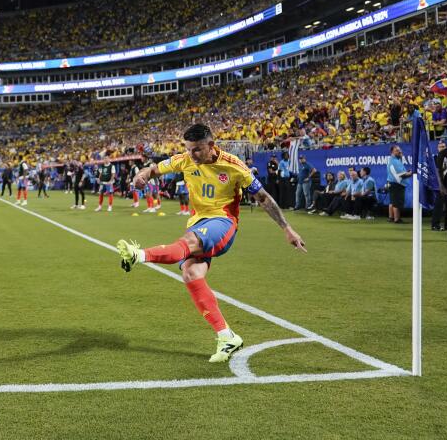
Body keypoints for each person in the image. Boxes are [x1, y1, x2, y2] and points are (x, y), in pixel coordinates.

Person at [116, 124, 306, 362]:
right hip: (198, 222)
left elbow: (263, 198)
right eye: (188, 149)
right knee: (191, 273)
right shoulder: (185, 160)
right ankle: (227, 337)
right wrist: (142, 174)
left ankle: (138, 255)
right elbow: (155, 169)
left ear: (211, 146)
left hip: (223, 222)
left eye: (196, 150)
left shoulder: (234, 166)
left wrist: (286, 229)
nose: (191, 155)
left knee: (187, 242)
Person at [387, 145, 412, 223]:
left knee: (392, 201)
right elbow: (402, 175)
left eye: (400, 150)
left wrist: (401, 157)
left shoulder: (392, 160)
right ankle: (397, 219)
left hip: (392, 183)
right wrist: (412, 173)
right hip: (397, 184)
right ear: (392, 152)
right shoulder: (395, 161)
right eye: (397, 150)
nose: (400, 151)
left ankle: (391, 217)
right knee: (397, 203)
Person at [431, 141, 447, 231]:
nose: (442, 148)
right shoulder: (434, 159)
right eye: (440, 147)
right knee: (438, 205)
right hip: (440, 185)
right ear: (437, 148)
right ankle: (435, 224)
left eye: (443, 146)